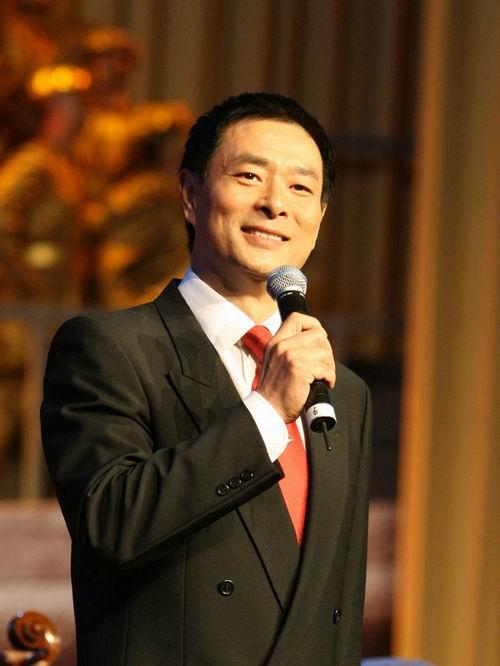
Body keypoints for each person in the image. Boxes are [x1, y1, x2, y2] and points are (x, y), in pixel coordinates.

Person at [41, 92, 372, 665]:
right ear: (191, 196)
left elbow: (336, 601)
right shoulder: (110, 349)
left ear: (320, 218)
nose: (275, 204)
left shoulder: (345, 390)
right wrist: (266, 412)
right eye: (249, 176)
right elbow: (110, 525)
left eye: (300, 187)